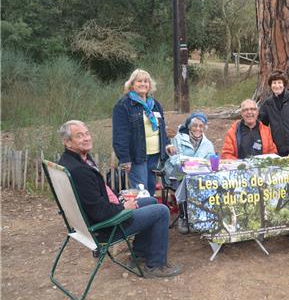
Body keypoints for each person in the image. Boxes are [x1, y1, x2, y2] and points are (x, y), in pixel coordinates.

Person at [57, 120, 183, 278]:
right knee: (162, 211)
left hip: (93, 219)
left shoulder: (72, 161)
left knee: (150, 201)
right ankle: (155, 266)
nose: (87, 138)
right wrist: (124, 208)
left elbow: (96, 198)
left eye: (87, 134)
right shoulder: (80, 171)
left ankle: (139, 254)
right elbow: (99, 212)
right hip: (104, 227)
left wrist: (118, 198)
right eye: (79, 136)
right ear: (67, 142)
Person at [112, 69, 173, 196]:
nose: (143, 84)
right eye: (139, 81)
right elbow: (120, 135)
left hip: (154, 155)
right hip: (137, 156)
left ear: (150, 85)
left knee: (150, 188)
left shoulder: (155, 104)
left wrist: (167, 145)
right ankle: (143, 215)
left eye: (146, 81)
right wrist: (124, 159)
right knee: (141, 192)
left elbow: (162, 129)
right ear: (132, 84)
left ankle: (150, 214)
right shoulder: (123, 105)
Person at [164, 112, 216, 234]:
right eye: (195, 126)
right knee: (184, 179)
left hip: (198, 175)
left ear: (204, 128)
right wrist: (191, 165)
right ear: (189, 127)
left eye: (201, 126)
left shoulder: (208, 144)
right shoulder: (179, 139)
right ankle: (183, 217)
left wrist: (200, 166)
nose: (198, 129)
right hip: (177, 173)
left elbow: (209, 161)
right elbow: (175, 159)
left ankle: (197, 217)